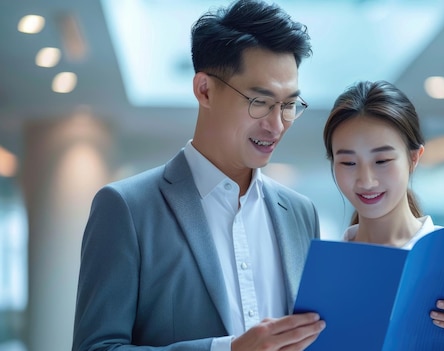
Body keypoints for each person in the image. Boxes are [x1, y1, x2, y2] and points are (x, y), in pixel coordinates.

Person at [72, 1, 326, 350]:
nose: (276, 124)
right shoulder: (126, 209)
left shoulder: (301, 213)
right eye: (259, 101)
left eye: (288, 105)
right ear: (204, 89)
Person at [322, 80, 444, 351]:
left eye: (382, 161)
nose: (366, 181)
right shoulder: (324, 266)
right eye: (348, 162)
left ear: (414, 158)